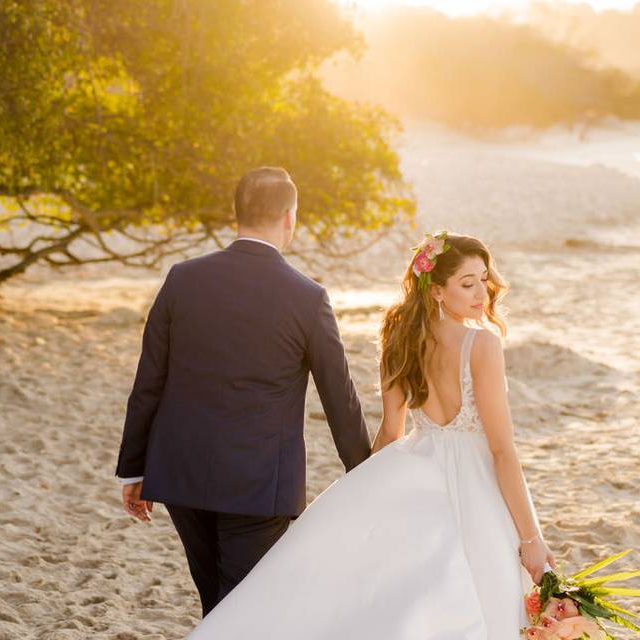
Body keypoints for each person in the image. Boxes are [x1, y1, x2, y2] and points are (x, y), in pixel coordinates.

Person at [186, 231, 556, 639]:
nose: (480, 293)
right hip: (477, 482)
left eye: (483, 279)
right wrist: (530, 538)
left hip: (416, 469)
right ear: (435, 290)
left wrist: (362, 493)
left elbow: (391, 432)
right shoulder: (482, 343)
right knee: (484, 594)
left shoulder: (399, 338)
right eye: (467, 284)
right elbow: (502, 451)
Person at [114, 166, 372, 617]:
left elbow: (149, 381)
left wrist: (132, 470)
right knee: (241, 610)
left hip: (181, 474)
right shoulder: (307, 298)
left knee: (216, 600)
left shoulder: (182, 279)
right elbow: (340, 397)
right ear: (290, 218)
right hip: (258, 485)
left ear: (236, 213)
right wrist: (366, 475)